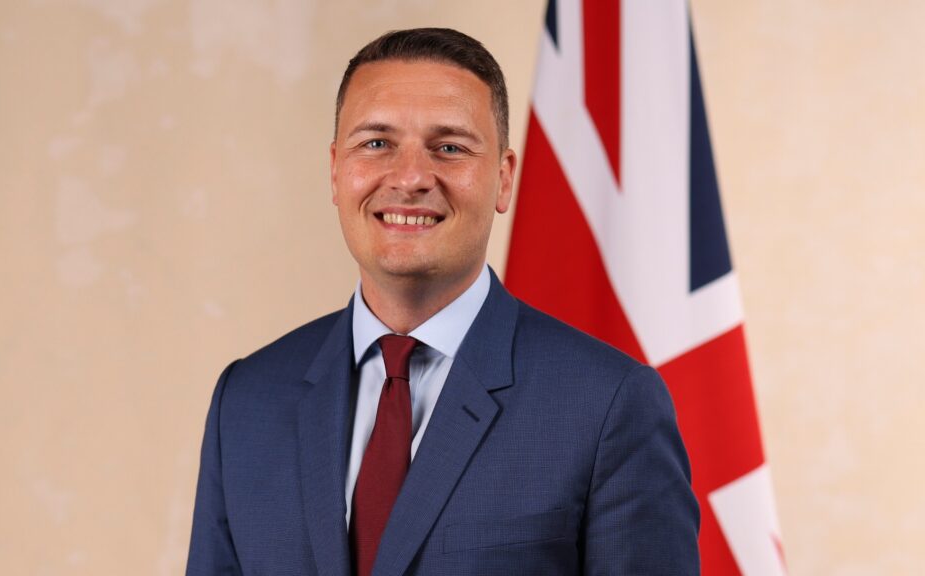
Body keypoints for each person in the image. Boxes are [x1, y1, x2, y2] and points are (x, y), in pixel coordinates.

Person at [186, 28, 699, 576]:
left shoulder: (609, 406)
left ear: (503, 180)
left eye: (449, 147)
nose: (410, 178)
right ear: (336, 170)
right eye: (376, 143)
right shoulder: (246, 401)